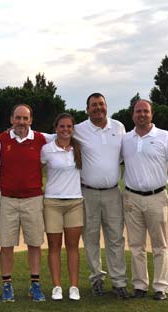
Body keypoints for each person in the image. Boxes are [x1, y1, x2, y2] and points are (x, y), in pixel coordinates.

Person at [122, 99, 168, 301]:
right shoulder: (126, 139)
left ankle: (160, 286)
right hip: (132, 197)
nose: (142, 114)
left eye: (145, 111)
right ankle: (139, 285)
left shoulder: (165, 137)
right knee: (136, 245)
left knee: (159, 245)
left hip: (156, 197)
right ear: (133, 115)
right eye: (138, 111)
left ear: (152, 114)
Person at [75, 93, 129, 298]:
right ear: (87, 109)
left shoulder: (118, 127)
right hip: (87, 192)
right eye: (94, 105)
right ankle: (96, 278)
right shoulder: (79, 130)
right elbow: (55, 136)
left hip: (113, 192)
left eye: (101, 104)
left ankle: (119, 281)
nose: (98, 108)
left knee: (115, 237)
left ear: (106, 106)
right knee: (90, 238)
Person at [0, 104, 48, 302]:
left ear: (31, 120)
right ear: (11, 119)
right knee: (6, 244)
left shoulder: (41, 140)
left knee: (34, 243)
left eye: (25, 118)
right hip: (8, 199)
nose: (21, 122)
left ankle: (35, 284)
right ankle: (6, 284)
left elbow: (64, 136)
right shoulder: (1, 140)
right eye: (17, 118)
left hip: (33, 199)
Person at [41, 113, 84, 301]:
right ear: (55, 128)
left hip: (75, 201)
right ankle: (57, 286)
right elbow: (38, 169)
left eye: (69, 127)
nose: (65, 130)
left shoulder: (78, 148)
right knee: (54, 246)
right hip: (52, 203)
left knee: (73, 246)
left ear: (73, 129)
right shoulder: (46, 149)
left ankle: (74, 286)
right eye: (62, 126)